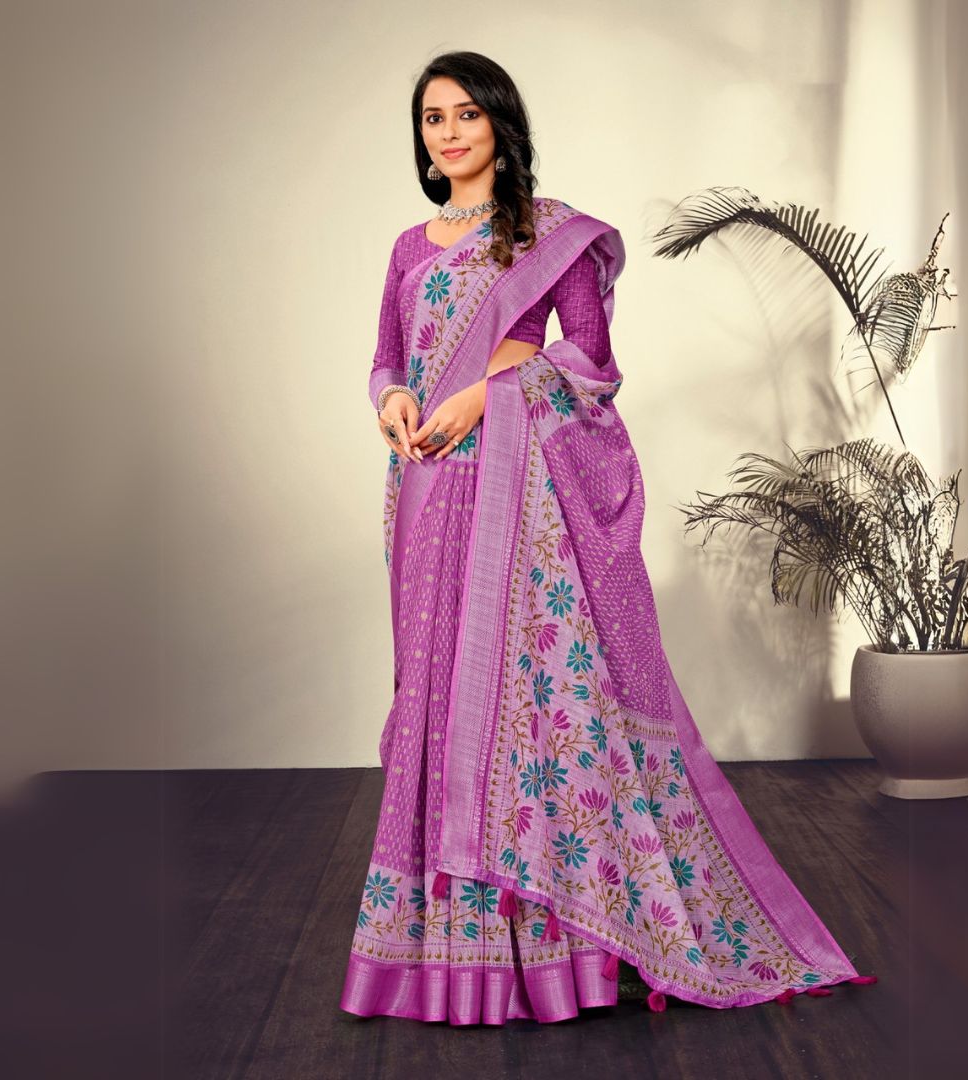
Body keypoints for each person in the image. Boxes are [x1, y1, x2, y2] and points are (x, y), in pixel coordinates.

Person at [339, 50, 876, 1026]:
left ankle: (552, 961)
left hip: (514, 502)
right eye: (432, 119)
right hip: (424, 495)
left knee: (518, 711)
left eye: (466, 114)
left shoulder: (547, 237)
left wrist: (489, 393)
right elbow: (383, 357)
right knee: (434, 707)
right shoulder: (408, 248)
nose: (449, 133)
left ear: (500, 123)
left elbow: (589, 365)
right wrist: (398, 399)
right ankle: (442, 953)